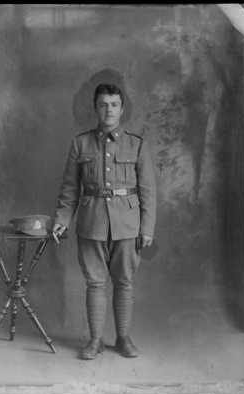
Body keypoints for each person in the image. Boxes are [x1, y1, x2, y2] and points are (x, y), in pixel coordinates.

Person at [52, 83, 156, 360]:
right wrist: (62, 219)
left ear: (122, 109)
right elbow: (69, 189)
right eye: (103, 105)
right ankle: (96, 340)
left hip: (128, 225)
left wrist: (146, 229)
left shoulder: (137, 144)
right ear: (95, 108)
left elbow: (148, 192)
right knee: (95, 283)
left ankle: (123, 339)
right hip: (91, 222)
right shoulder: (81, 143)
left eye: (113, 105)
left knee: (124, 282)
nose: (108, 110)